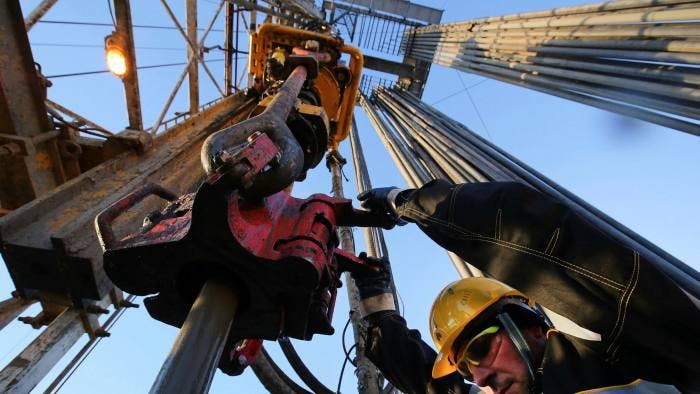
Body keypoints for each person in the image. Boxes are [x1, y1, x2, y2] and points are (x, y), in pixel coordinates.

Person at [352, 180, 700, 393]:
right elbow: (429, 383)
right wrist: (378, 306)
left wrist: (412, 203)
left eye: (480, 350)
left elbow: (538, 243)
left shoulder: (625, 352)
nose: (481, 377)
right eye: (466, 369)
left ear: (528, 324)